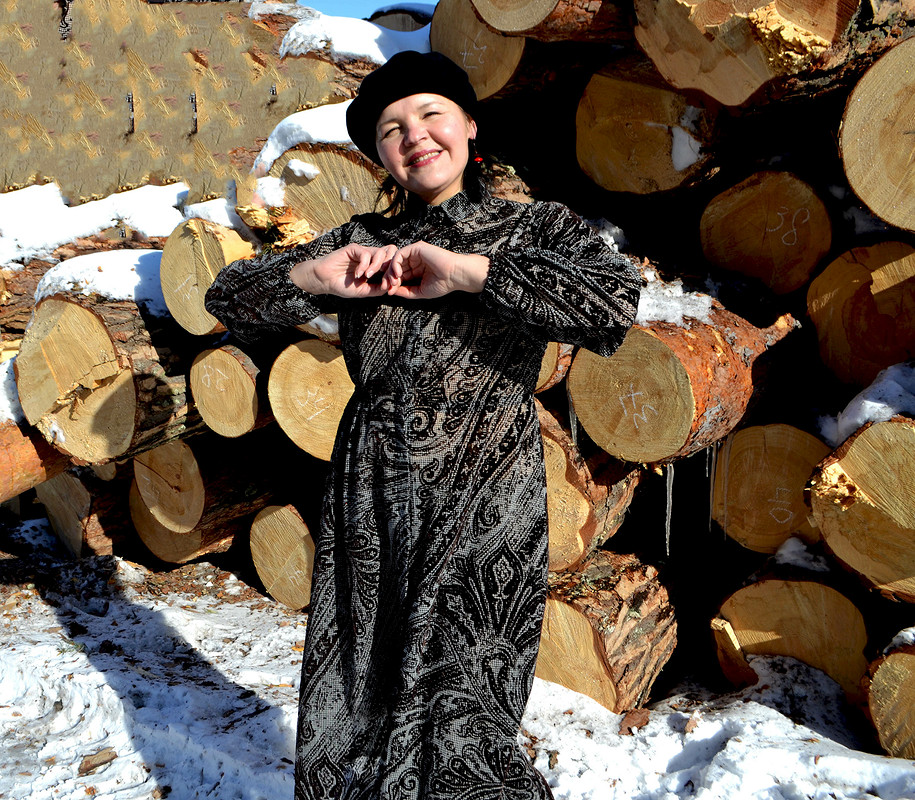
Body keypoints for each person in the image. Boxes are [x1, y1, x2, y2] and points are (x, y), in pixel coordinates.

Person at [205, 50, 641, 800]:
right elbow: (227, 298)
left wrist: (467, 271)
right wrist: (315, 277)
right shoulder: (361, 240)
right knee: (357, 685)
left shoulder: (529, 224)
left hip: (485, 482)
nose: (415, 135)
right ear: (379, 154)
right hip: (370, 484)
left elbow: (610, 306)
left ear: (469, 125)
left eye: (430, 113)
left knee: (464, 693)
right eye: (390, 128)